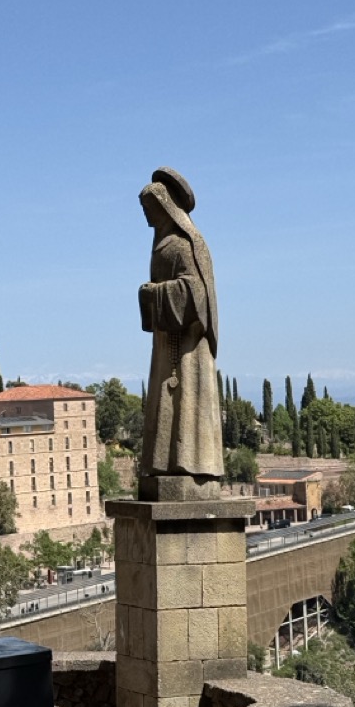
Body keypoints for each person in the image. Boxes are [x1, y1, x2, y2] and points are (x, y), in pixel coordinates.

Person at [138, 168, 224, 486]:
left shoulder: (185, 244)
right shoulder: (163, 244)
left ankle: (192, 463)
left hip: (188, 345)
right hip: (167, 341)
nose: (146, 214)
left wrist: (153, 294)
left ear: (164, 206)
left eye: (149, 207)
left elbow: (196, 292)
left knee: (188, 400)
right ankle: (166, 463)